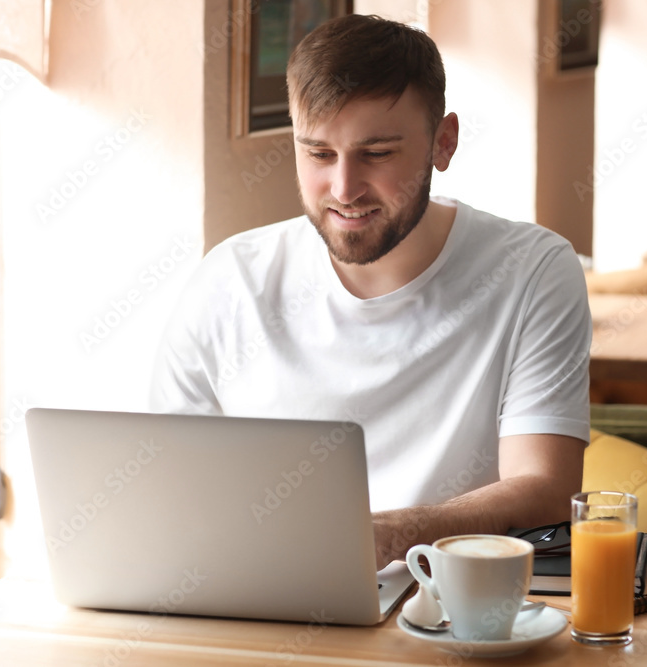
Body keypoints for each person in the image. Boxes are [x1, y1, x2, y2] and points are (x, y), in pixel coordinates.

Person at [151, 14, 591, 570]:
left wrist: (389, 535)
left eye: (377, 154)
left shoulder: (532, 271)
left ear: (443, 142)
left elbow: (545, 487)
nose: (344, 189)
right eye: (318, 153)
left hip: (444, 614)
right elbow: (165, 485)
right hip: (262, 603)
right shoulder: (230, 279)